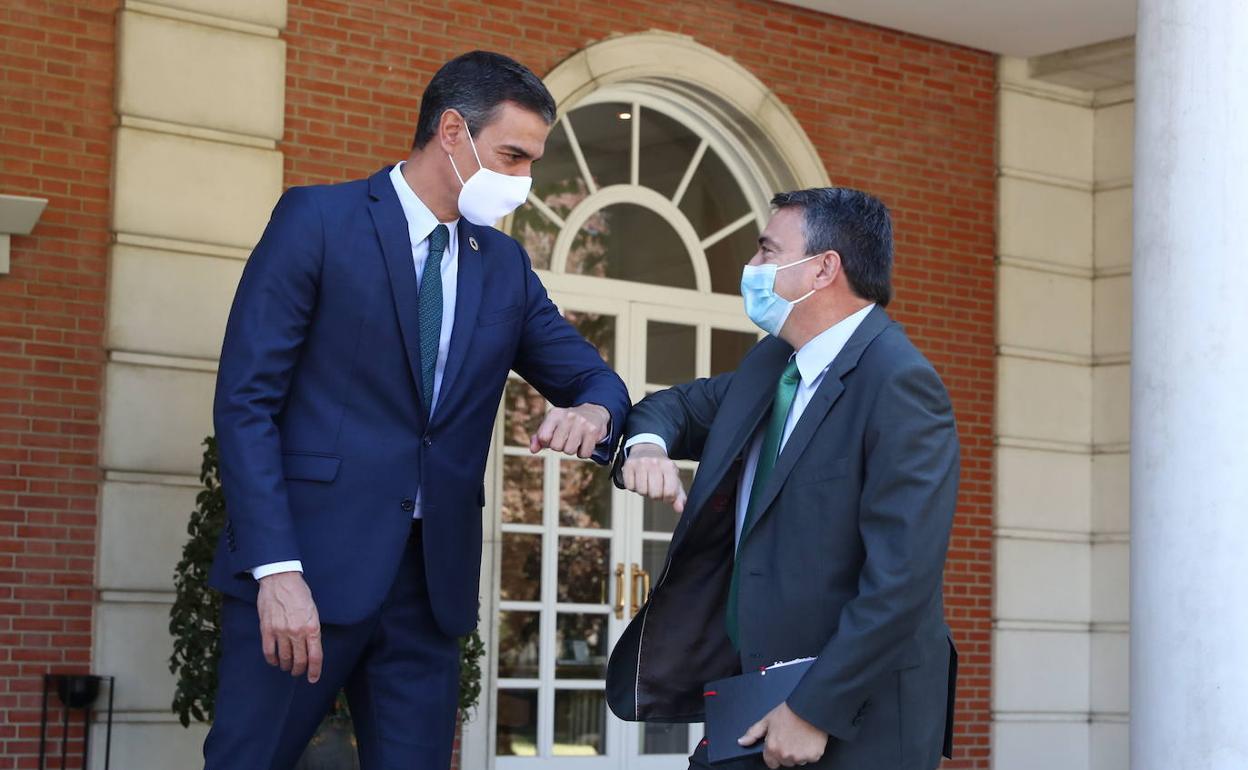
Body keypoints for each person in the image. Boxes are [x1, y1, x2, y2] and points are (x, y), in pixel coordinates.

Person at [202, 51, 629, 770]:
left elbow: (594, 378)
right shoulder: (319, 220)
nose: (524, 180)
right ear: (453, 131)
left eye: (532, 162)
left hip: (429, 592)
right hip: (304, 572)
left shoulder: (503, 266)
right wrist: (276, 570)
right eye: (513, 156)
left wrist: (592, 411)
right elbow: (246, 402)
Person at [608, 188, 959, 770]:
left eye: (767, 251)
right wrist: (648, 447)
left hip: (856, 714)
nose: (752, 269)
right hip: (752, 693)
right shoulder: (774, 365)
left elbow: (902, 580)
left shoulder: (900, 384)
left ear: (824, 268)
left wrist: (815, 709)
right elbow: (672, 409)